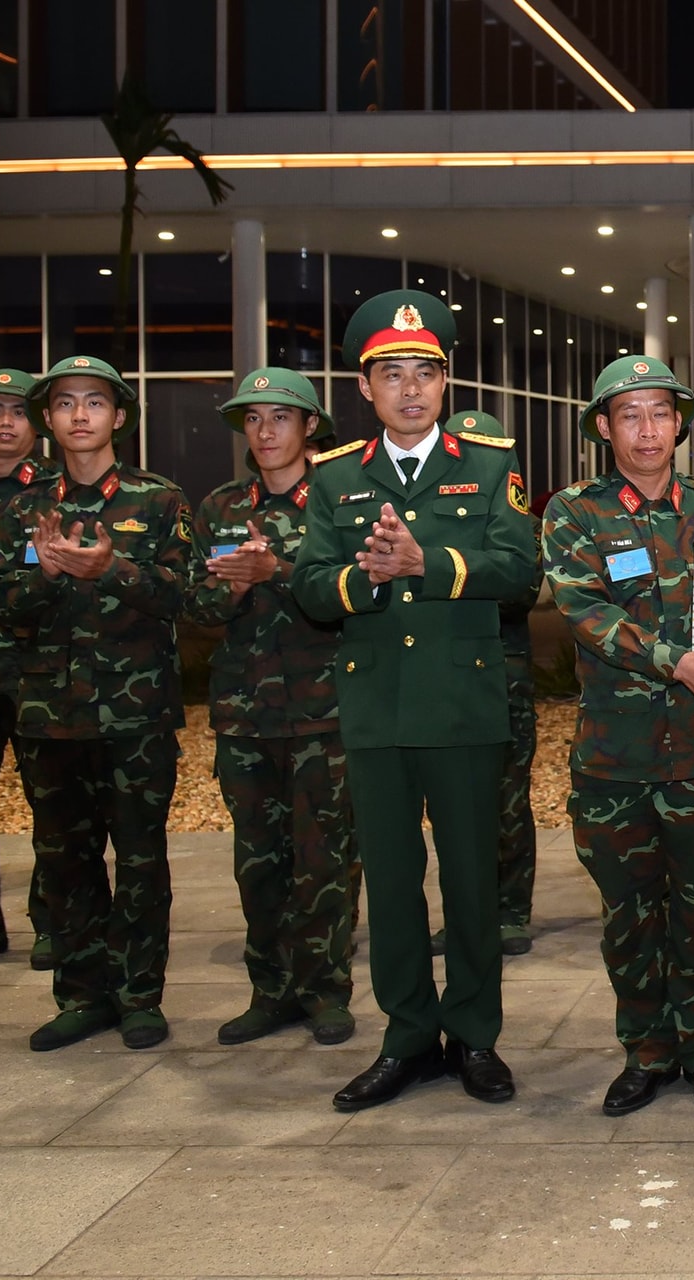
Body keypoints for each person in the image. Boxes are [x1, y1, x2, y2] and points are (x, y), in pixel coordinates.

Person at [291, 290, 540, 1110]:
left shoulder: (490, 463)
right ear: (365, 389)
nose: (409, 390)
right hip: (377, 711)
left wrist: (426, 563)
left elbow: (519, 573)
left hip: (463, 707)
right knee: (392, 886)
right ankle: (406, 1040)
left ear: (446, 382)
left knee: (472, 881)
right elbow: (309, 588)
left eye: (423, 374)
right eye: (390, 374)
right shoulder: (335, 479)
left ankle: (473, 1036)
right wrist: (367, 577)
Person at [543, 355, 694, 1116]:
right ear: (604, 428)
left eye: (660, 413)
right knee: (628, 914)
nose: (647, 429)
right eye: (629, 415)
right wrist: (679, 664)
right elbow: (586, 614)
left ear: (679, 424)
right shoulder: (575, 513)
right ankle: (647, 1050)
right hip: (615, 756)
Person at [0, 356, 191, 1051]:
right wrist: (41, 576)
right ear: (48, 420)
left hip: (136, 716)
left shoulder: (159, 500)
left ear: (119, 417)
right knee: (65, 860)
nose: (80, 414)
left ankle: (139, 996)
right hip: (51, 715)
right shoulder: (22, 507)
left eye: (95, 402)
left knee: (139, 861)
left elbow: (185, 598)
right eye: (66, 403)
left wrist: (115, 568)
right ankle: (81, 995)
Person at [184, 368, 358, 1046]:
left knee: (326, 861)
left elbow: (353, 597)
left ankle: (325, 991)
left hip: (325, 713)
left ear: (309, 426)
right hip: (244, 714)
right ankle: (270, 990)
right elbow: (196, 609)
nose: (265, 431)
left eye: (280, 418)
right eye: (253, 420)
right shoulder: (221, 509)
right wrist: (227, 591)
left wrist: (277, 573)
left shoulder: (340, 504)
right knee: (258, 861)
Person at [429, 409, 542, 960]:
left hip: (505, 677)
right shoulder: (428, 518)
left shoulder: (517, 523)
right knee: (454, 806)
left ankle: (511, 912)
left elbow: (518, 591)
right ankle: (464, 915)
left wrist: (447, 571)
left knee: (508, 801)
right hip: (447, 677)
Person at [0, 369, 52, 963]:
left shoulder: (57, 491)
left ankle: (55, 925)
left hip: (36, 671)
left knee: (53, 803)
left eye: (18, 411)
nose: (5, 422)